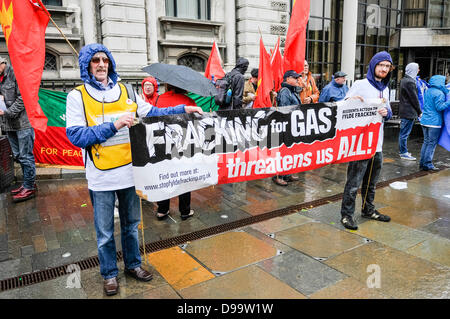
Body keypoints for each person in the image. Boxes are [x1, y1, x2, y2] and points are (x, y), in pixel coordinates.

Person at [65, 43, 202, 296]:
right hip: (101, 178)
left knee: (131, 226)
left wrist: (184, 109)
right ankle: (109, 274)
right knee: (105, 233)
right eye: (95, 60)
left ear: (111, 63)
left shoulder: (126, 90)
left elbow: (154, 113)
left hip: (129, 174)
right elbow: (75, 136)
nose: (101, 64)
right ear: (86, 64)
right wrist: (114, 125)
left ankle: (133, 265)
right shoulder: (77, 96)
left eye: (105, 60)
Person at [340, 51, 394, 231]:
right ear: (374, 66)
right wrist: (351, 100)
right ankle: (347, 215)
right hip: (360, 145)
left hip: (377, 144)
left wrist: (388, 113)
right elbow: (344, 106)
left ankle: (368, 209)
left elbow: (388, 111)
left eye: (387, 66)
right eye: (381, 65)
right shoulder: (360, 84)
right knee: (354, 182)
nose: (384, 69)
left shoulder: (385, 88)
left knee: (371, 182)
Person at [153, 83, 197, 221]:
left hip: (162, 142)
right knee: (184, 176)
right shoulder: (188, 101)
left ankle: (162, 210)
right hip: (182, 143)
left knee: (164, 176)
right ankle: (185, 211)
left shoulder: (158, 99)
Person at [0, 57, 37, 203]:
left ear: (2, 63)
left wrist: (7, 112)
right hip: (9, 125)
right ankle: (28, 183)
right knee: (18, 155)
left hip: (22, 123)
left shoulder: (15, 73)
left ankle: (29, 186)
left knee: (26, 156)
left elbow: (24, 98)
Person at [272, 70, 302, 186]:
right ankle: (278, 175)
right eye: (294, 78)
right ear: (288, 79)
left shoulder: (291, 91)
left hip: (292, 124)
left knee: (289, 151)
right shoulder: (285, 91)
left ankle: (287, 173)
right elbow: (284, 110)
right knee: (283, 151)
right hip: (286, 125)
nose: (296, 80)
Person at [419, 75, 450, 171]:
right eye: (443, 82)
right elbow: (439, 107)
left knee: (426, 142)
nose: (444, 84)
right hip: (434, 122)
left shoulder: (428, 90)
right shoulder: (439, 93)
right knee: (431, 144)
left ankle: (422, 163)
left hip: (424, 121)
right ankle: (428, 164)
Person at [398, 63, 422, 161]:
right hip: (409, 112)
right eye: (417, 68)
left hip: (405, 111)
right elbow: (414, 98)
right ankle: (403, 153)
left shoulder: (404, 80)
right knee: (404, 134)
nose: (418, 70)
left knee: (403, 133)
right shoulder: (410, 82)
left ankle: (403, 151)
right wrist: (419, 111)